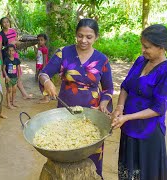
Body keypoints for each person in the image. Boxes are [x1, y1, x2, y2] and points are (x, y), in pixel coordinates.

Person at [39, 18, 114, 178]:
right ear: (76, 34)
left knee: (91, 152)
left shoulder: (102, 60)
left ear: (96, 37)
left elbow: (108, 89)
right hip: (66, 111)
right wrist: (46, 82)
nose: (84, 40)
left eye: (89, 37)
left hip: (92, 114)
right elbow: (44, 73)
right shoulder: (63, 53)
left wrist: (104, 103)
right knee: (63, 148)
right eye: (80, 36)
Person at [111, 24, 167, 180]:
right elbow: (126, 86)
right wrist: (120, 108)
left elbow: (158, 108)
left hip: (149, 131)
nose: (143, 50)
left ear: (161, 47)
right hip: (128, 127)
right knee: (129, 170)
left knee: (147, 173)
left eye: (147, 47)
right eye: (142, 45)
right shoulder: (141, 61)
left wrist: (127, 117)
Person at [0, 16, 33, 99]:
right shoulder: (0, 35)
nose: (6, 23)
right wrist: (2, 62)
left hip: (15, 57)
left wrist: (15, 42)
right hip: (7, 59)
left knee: (18, 74)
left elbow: (17, 42)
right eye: (4, 22)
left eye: (7, 22)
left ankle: (24, 94)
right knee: (11, 76)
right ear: (1, 24)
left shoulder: (13, 31)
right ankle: (14, 97)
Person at [3, 44, 21, 109]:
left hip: (15, 78)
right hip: (8, 79)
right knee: (9, 91)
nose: (11, 52)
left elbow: (18, 69)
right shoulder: (6, 60)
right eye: (9, 51)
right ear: (7, 52)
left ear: (15, 51)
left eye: (12, 50)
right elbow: (3, 68)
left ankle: (13, 102)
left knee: (14, 90)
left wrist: (19, 78)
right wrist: (6, 76)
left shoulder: (17, 60)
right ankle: (8, 104)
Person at [34, 33, 50, 103]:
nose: (40, 41)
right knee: (40, 83)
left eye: (42, 40)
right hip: (39, 67)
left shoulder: (44, 49)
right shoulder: (40, 48)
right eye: (39, 40)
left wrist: (43, 68)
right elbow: (38, 58)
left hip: (43, 68)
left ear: (45, 41)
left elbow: (44, 59)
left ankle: (46, 98)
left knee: (42, 83)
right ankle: (45, 96)